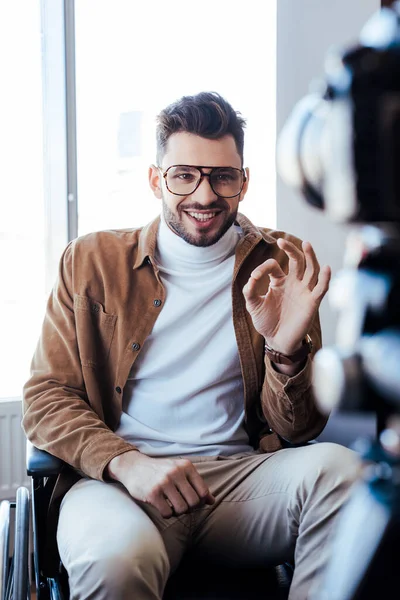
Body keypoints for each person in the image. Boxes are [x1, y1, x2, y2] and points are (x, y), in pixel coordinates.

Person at [23, 91, 361, 600]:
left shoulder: (279, 262)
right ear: (157, 179)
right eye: (184, 175)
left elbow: (299, 429)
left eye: (223, 176)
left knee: (345, 476)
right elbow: (46, 398)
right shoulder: (91, 261)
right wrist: (127, 463)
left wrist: (285, 352)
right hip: (121, 486)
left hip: (237, 485)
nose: (205, 195)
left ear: (243, 182)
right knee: (117, 559)